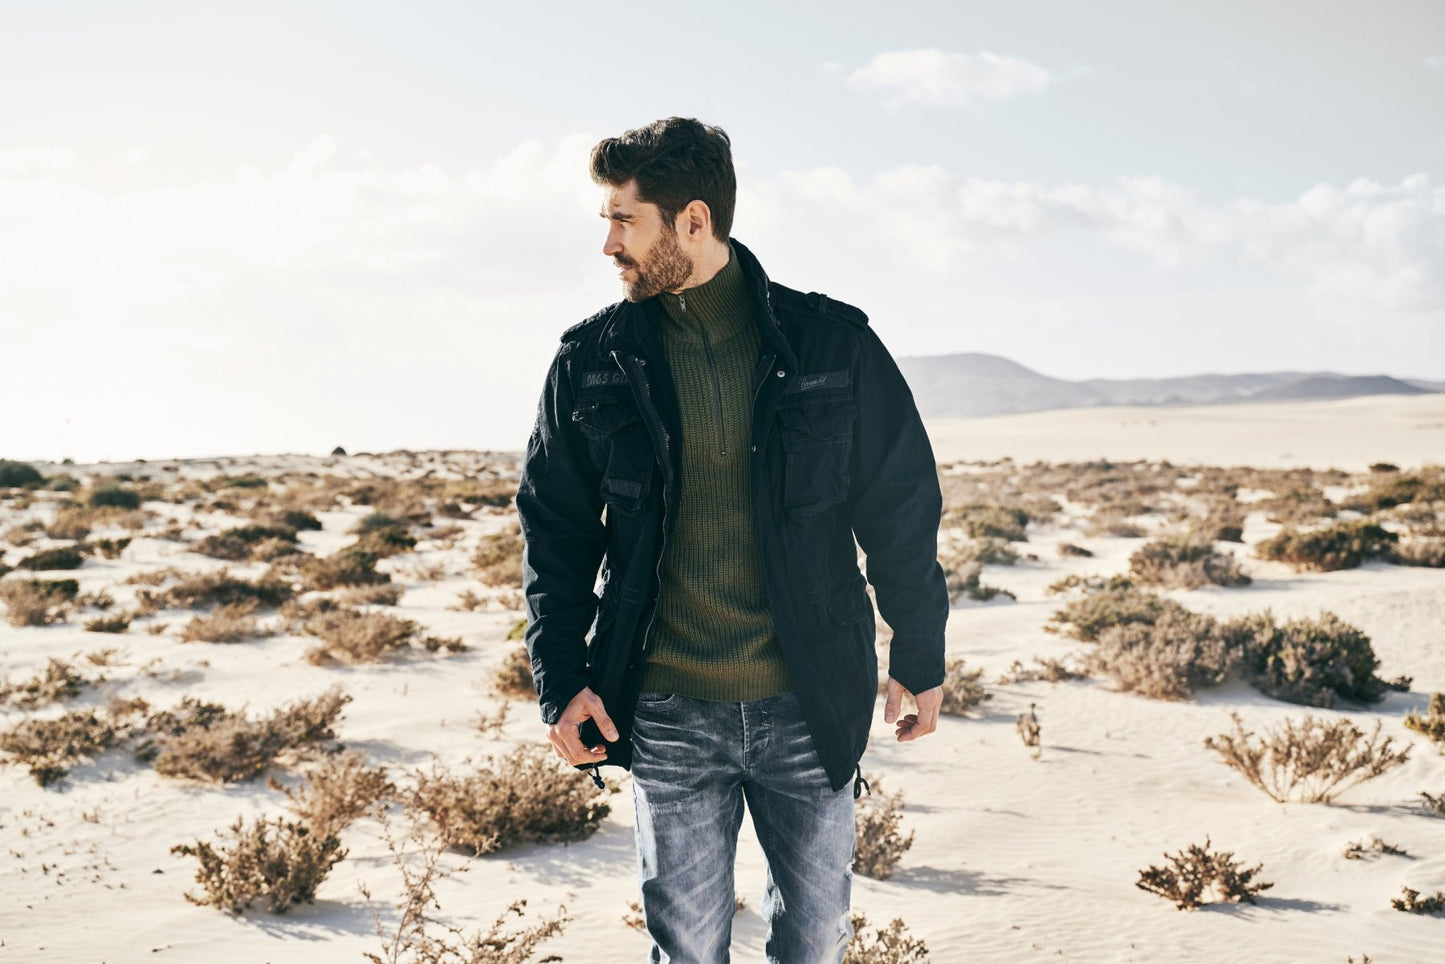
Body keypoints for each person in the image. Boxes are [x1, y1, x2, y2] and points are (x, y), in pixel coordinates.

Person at [516, 116, 948, 964]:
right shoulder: (591, 360)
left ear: (694, 221)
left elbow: (900, 504)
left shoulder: (831, 343)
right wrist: (561, 680)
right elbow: (555, 535)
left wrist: (919, 654)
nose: (608, 244)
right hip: (667, 704)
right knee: (685, 947)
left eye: (623, 219)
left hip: (806, 698)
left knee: (816, 939)